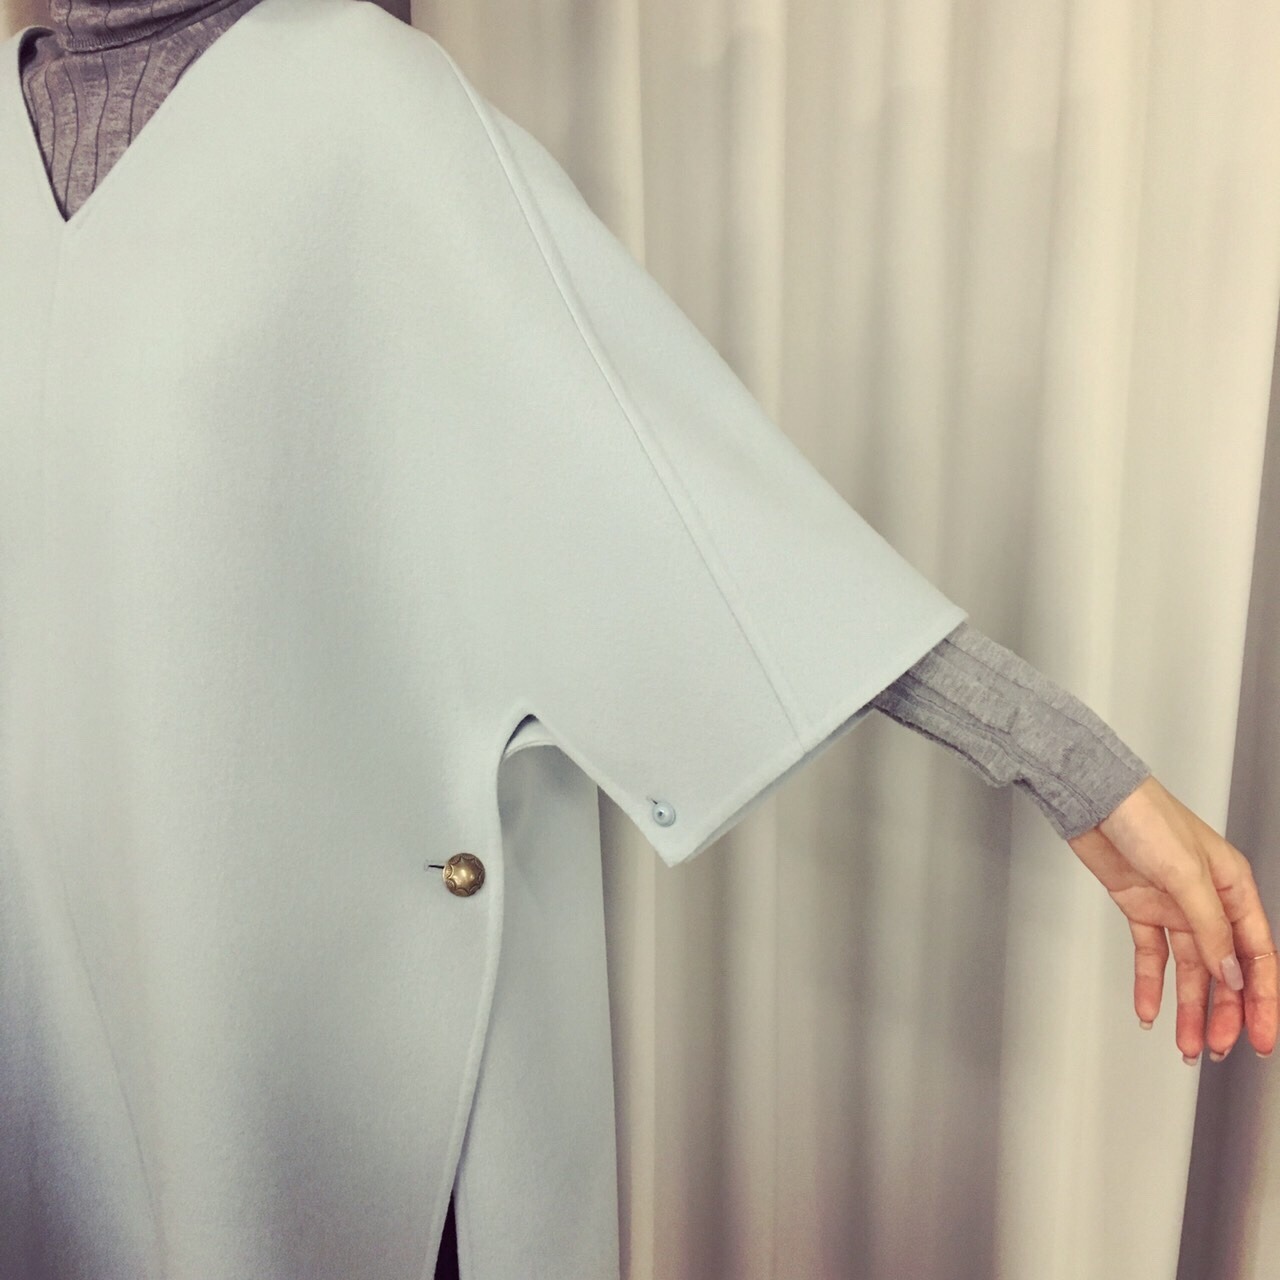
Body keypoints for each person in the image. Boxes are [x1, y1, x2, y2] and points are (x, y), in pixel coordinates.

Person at [3, 3, 1275, 1278]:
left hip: (323, 1041)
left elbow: (673, 487)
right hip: (59, 997)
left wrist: (1069, 764)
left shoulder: (350, 98)